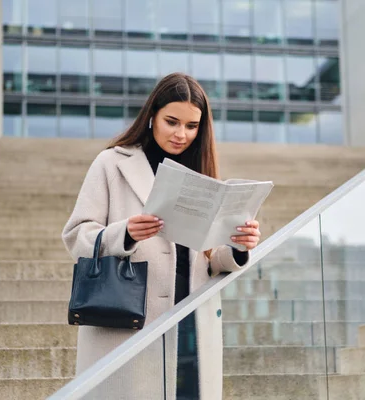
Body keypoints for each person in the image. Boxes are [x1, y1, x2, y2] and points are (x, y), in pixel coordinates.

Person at [61, 73, 261, 399]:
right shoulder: (112, 163)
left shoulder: (202, 174)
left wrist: (238, 246)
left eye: (192, 126)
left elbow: (210, 260)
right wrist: (124, 233)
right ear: (152, 114)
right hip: (130, 323)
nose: (181, 134)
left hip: (191, 320)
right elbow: (77, 236)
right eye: (172, 121)